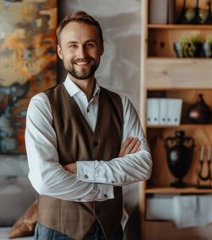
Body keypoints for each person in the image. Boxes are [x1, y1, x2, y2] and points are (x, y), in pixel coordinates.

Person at [25, 11, 152, 240]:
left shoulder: (121, 104)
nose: (81, 54)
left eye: (89, 44)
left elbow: (143, 166)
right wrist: (106, 186)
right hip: (58, 233)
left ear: (101, 48)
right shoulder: (42, 105)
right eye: (72, 45)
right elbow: (45, 180)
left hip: (110, 231)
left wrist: (80, 169)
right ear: (60, 51)